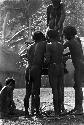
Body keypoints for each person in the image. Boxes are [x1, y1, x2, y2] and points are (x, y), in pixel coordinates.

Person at [24, 31, 46, 117]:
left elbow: (27, 57)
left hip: (28, 69)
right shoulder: (42, 44)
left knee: (27, 92)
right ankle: (37, 112)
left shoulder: (29, 47)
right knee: (36, 92)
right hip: (36, 69)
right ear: (41, 37)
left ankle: (26, 112)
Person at [63, 26, 83, 114]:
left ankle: (79, 109)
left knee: (78, 87)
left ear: (69, 34)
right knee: (77, 86)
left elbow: (60, 48)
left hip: (79, 66)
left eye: (65, 34)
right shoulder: (77, 39)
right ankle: (77, 107)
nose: (64, 36)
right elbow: (76, 51)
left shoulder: (69, 42)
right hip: (81, 63)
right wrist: (67, 55)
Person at [45, 29, 64, 116]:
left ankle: (56, 112)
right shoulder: (60, 45)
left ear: (49, 36)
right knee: (60, 89)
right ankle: (60, 110)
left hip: (53, 67)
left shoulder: (49, 45)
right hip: (61, 66)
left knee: (55, 89)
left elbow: (48, 60)